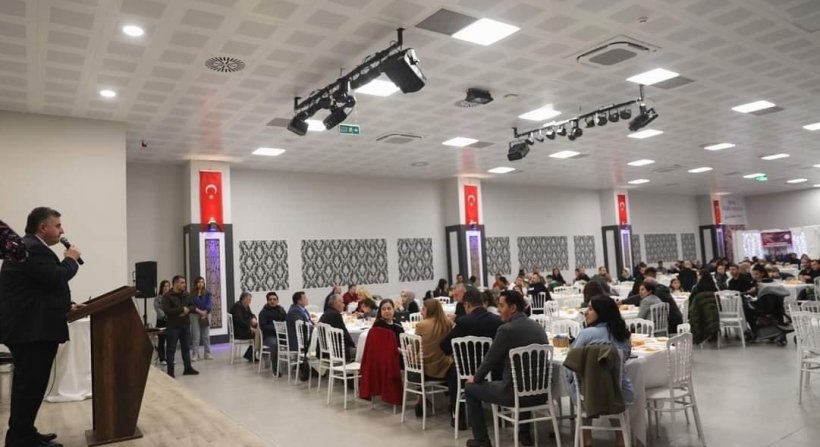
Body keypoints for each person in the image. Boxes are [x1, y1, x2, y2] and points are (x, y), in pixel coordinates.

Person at [0, 208, 82, 447]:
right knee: (29, 388)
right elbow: (55, 277)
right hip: (31, 332)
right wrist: (71, 259)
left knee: (30, 387)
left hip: (30, 330)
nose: (62, 230)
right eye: (58, 225)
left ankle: (24, 433)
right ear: (42, 227)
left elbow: (39, 289)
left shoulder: (30, 248)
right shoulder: (32, 248)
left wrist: (67, 305)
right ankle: (20, 439)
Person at [463, 290, 547, 447]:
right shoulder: (538, 327)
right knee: (525, 379)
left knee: (469, 389)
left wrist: (475, 378)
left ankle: (481, 440)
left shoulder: (506, 330)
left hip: (512, 394)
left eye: (501, 306)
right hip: (540, 394)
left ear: (513, 308)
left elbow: (489, 360)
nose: (498, 309)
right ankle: (524, 433)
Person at [564, 296, 634, 447]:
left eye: (590, 309)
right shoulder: (622, 334)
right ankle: (620, 437)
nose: (586, 312)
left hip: (589, 396)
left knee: (579, 379)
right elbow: (626, 356)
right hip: (621, 394)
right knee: (610, 383)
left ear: (601, 312)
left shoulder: (586, 334)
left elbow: (571, 363)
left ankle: (586, 436)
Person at [440, 289, 503, 429]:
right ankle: (498, 414)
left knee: (453, 371)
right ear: (483, 303)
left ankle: (459, 417)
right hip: (494, 371)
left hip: (467, 373)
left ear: (467, 305)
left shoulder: (463, 322)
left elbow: (445, 347)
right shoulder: (497, 320)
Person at [413, 299, 454, 417]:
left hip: (426, 369)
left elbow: (417, 347)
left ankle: (419, 401)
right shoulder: (448, 323)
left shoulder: (421, 325)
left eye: (423, 309)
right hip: (445, 367)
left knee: (415, 359)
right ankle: (449, 401)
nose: (421, 312)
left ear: (429, 310)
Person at [162, 275, 199, 377]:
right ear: (175, 283)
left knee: (186, 348)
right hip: (173, 326)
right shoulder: (167, 296)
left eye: (184, 282)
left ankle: (188, 368)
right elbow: (167, 311)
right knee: (171, 349)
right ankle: (170, 372)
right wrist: (182, 309)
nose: (184, 284)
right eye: (182, 282)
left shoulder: (186, 294)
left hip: (185, 325)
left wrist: (187, 310)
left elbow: (193, 306)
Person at [319, 294, 356, 361]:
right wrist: (354, 346)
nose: (344, 305)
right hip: (336, 351)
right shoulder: (336, 315)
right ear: (336, 303)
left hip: (323, 350)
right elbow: (345, 335)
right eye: (342, 302)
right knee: (362, 352)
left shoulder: (326, 313)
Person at [258, 292, 286, 374]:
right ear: (267, 301)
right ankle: (275, 368)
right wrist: (277, 328)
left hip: (282, 335)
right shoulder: (263, 312)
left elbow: (287, 320)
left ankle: (298, 365)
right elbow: (263, 327)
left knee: (294, 340)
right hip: (269, 337)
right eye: (270, 299)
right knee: (275, 344)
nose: (272, 301)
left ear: (277, 300)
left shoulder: (281, 310)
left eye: (274, 299)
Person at [190, 276, 213, 361]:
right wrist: (200, 312)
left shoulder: (207, 293)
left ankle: (207, 353)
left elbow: (209, 304)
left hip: (206, 314)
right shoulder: (191, 294)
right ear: (196, 284)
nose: (200, 284)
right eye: (199, 282)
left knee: (206, 335)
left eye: (202, 282)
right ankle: (195, 354)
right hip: (195, 315)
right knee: (196, 336)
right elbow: (192, 305)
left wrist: (205, 312)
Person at [230, 292, 257, 361]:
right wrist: (250, 328)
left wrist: (253, 318)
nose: (250, 302)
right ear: (244, 299)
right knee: (257, 335)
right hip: (239, 332)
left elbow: (251, 314)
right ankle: (250, 355)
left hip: (244, 329)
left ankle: (250, 354)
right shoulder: (237, 307)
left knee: (257, 331)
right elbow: (240, 321)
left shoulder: (245, 305)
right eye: (249, 300)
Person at [154, 279, 171, 364]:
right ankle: (162, 358)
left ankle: (170, 357)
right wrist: (164, 316)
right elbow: (157, 308)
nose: (166, 288)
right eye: (164, 286)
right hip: (161, 320)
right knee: (162, 340)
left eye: (168, 286)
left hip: (170, 320)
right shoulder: (158, 298)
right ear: (161, 288)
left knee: (170, 340)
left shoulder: (171, 297)